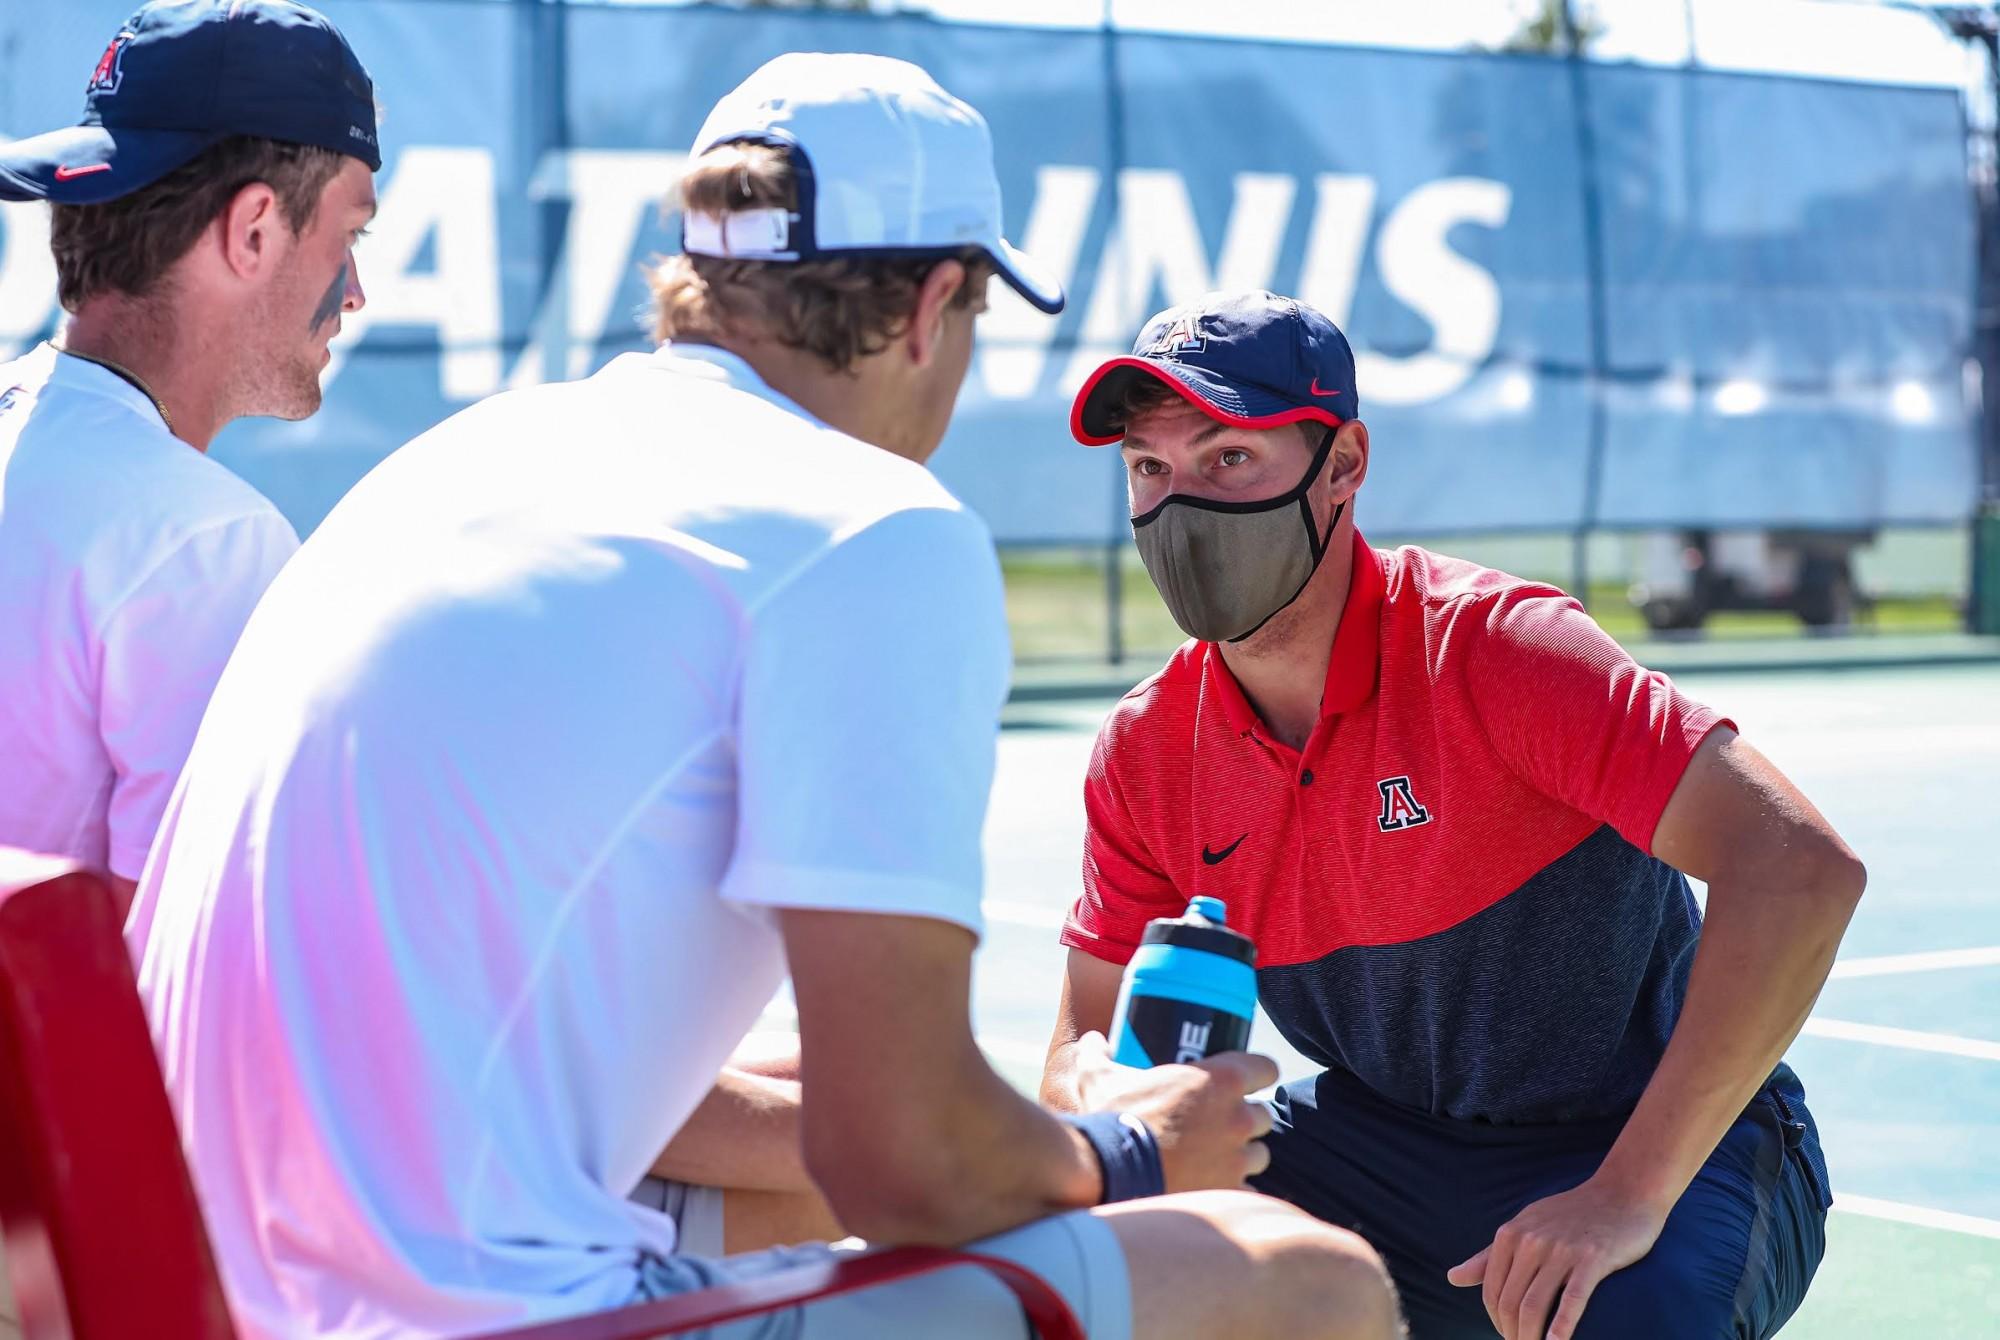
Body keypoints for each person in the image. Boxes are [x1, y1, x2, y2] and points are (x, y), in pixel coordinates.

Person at [128, 58, 1402, 1340]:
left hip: (192, 1280)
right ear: (931, 305)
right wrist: (1129, 1149)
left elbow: (663, 1087)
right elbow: (900, 1162)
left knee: (823, 1098)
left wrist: (1026, 1140)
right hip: (463, 1315)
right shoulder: (870, 527)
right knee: (1295, 1270)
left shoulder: (469, 454)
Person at [1039, 289, 1864, 1340]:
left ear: (1342, 463)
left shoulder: (1494, 649)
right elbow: (1081, 1031)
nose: (1180, 504)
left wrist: (1622, 1194)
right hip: (1374, 1143)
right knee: (1087, 1255)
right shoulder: (1149, 746)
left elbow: (1798, 868)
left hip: (1641, 1136)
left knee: (1625, 1318)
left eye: (1227, 459)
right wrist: (1102, 1097)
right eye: (1149, 469)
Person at [0, 0, 378, 908]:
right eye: (351, 235)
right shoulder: (207, 542)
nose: (356, 292)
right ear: (254, 230)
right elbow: (187, 978)